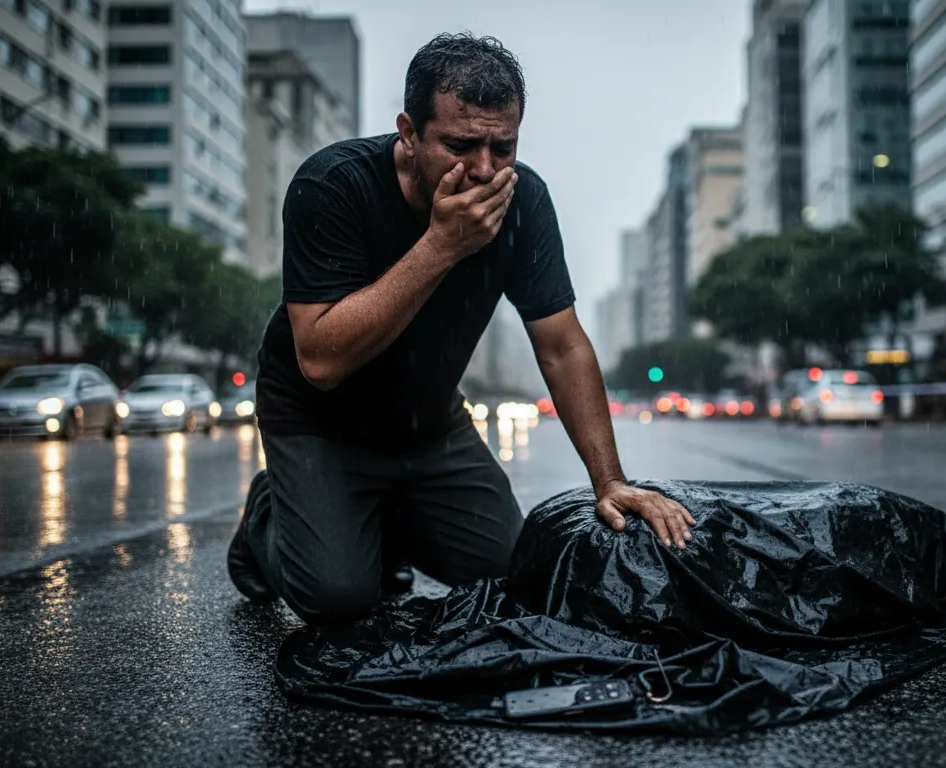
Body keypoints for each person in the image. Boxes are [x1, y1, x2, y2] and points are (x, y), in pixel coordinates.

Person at [227, 32, 696, 626]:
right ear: (408, 132)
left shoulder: (523, 201)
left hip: (431, 422)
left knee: (515, 575)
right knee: (340, 599)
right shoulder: (333, 186)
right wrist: (441, 245)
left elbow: (561, 344)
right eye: (460, 144)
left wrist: (610, 481)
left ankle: (376, 527)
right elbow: (320, 359)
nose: (483, 170)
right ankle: (267, 520)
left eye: (503, 147)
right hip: (318, 421)